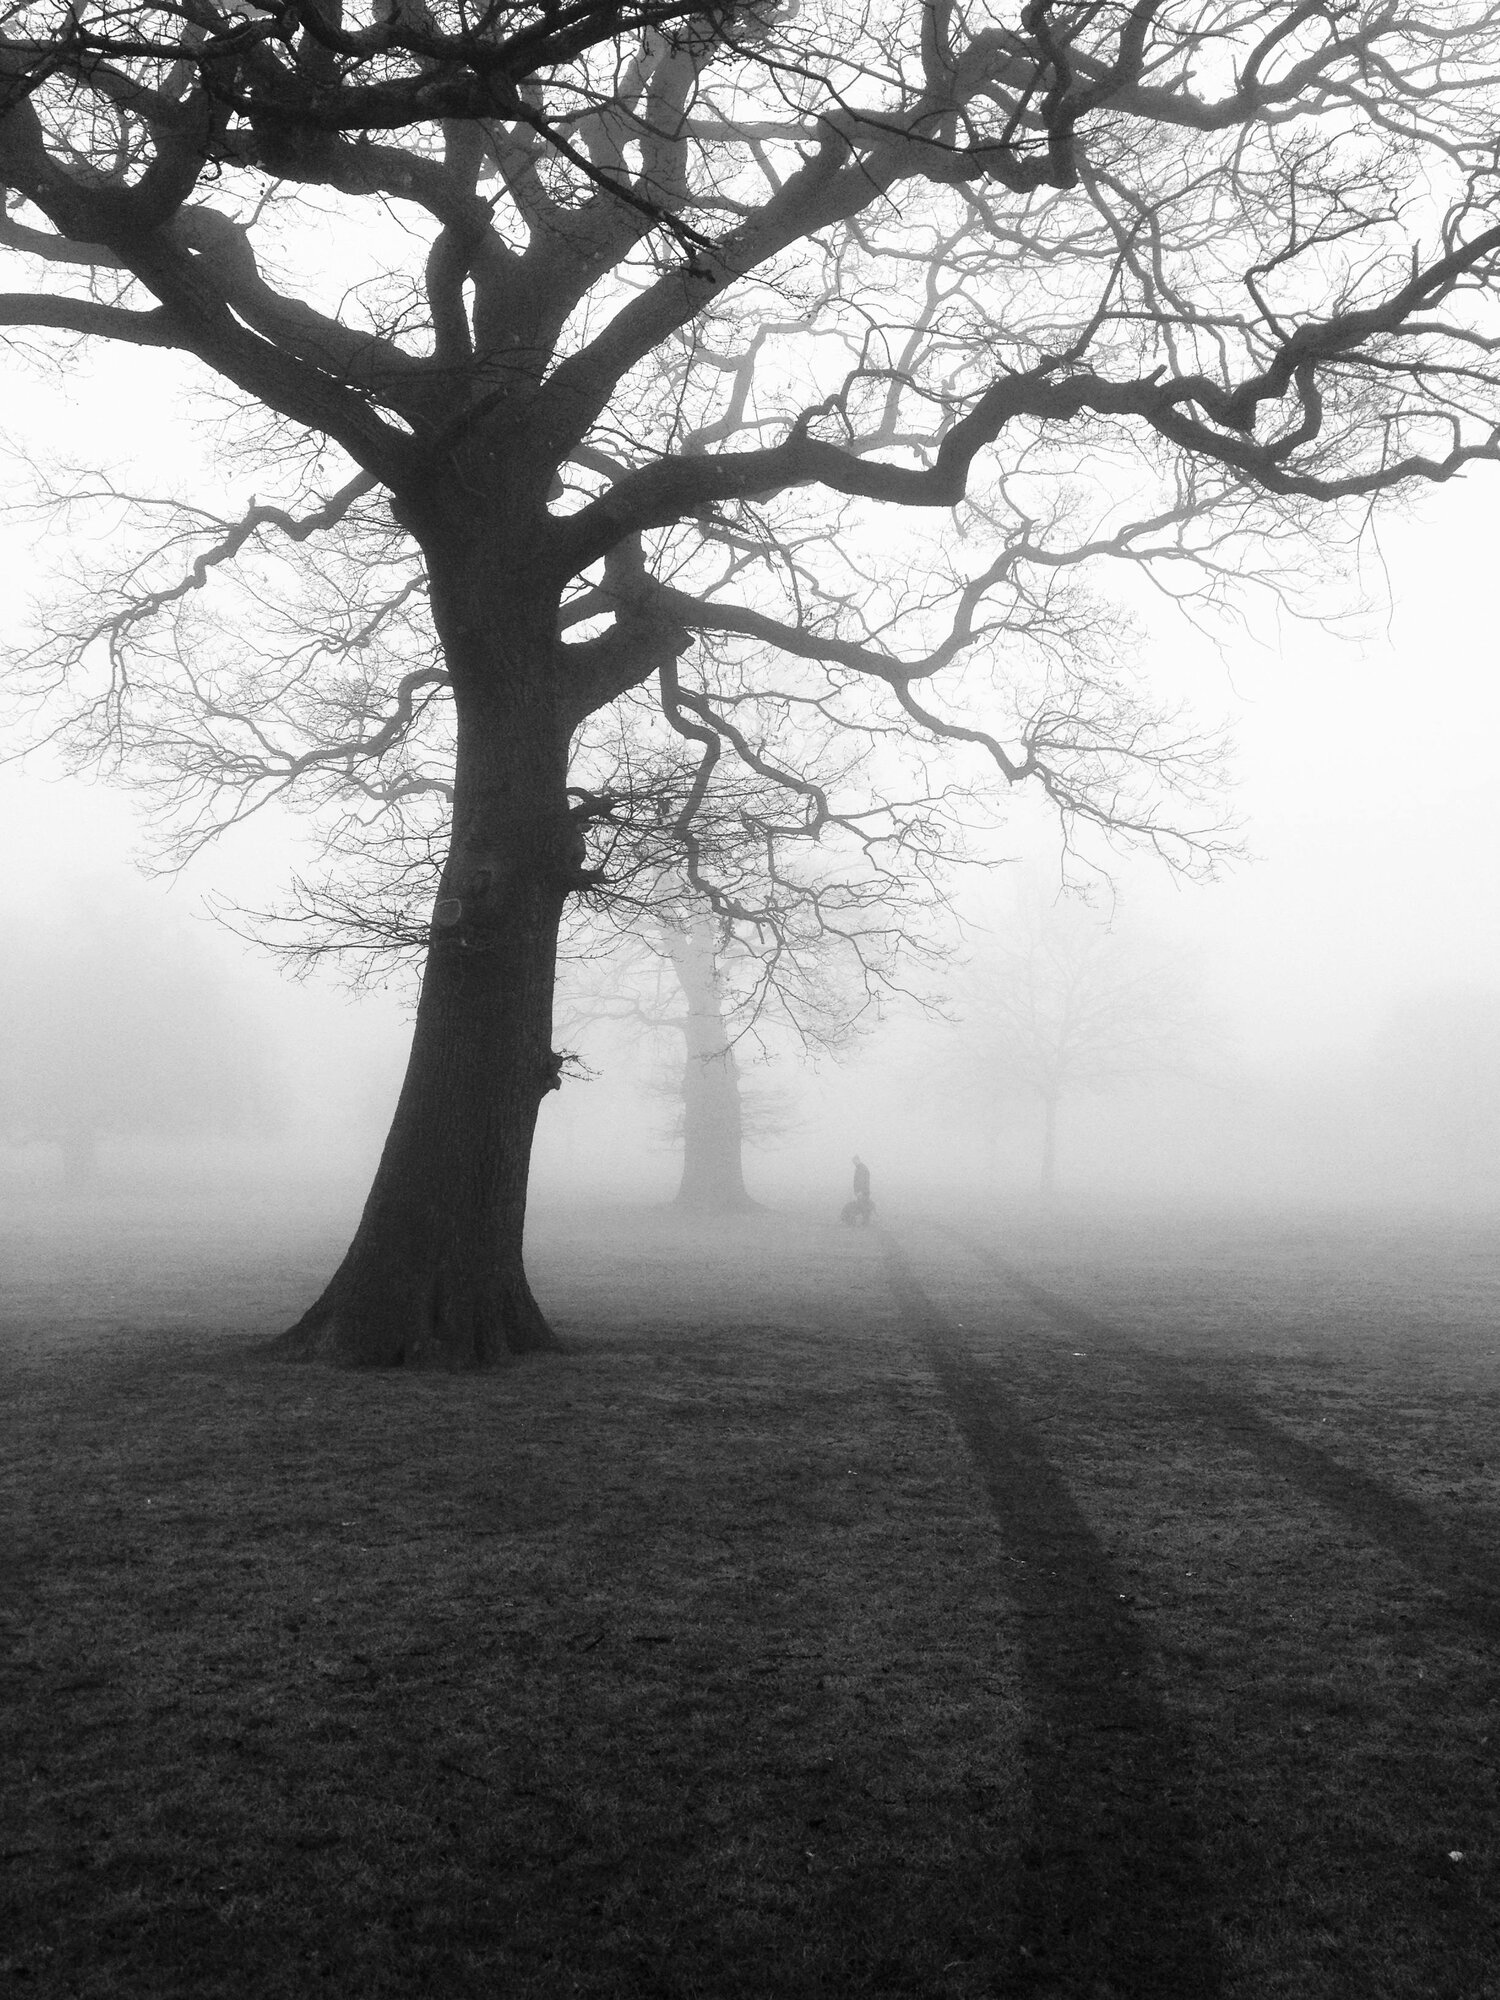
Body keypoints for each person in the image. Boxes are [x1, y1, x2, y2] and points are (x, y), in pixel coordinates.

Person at [851, 1155, 873, 1226]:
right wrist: (856, 1191)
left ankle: (866, 1223)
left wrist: (861, 1191)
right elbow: (857, 1181)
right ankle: (865, 1222)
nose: (854, 1163)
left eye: (855, 1161)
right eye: (853, 1162)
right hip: (861, 1191)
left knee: (863, 1206)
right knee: (863, 1206)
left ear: (858, 1160)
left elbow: (863, 1181)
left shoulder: (862, 1169)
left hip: (863, 1192)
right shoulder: (859, 1168)